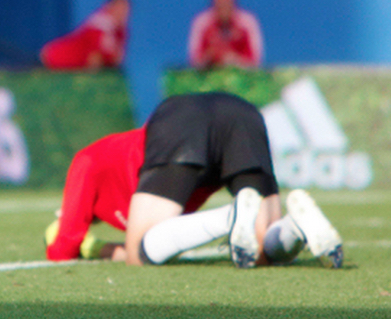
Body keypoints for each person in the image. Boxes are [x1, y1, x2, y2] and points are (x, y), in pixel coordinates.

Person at [44, 92, 343, 269]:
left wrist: (87, 244)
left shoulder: (85, 161)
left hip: (180, 122)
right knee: (262, 251)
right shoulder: (119, 194)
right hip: (240, 112)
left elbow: (61, 250)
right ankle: (297, 226)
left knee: (139, 254)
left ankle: (231, 216)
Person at [39, 0, 129, 70]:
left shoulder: (119, 29)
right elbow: (96, 58)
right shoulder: (101, 25)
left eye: (125, 8)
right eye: (119, 7)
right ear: (110, 7)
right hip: (56, 56)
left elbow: (116, 58)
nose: (123, 11)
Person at [188, 0, 263, 69]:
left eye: (226, 2)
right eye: (219, 3)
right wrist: (209, 58)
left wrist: (234, 60)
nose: (223, 6)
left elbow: (255, 63)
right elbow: (193, 62)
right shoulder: (201, 23)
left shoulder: (247, 23)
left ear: (233, 3)